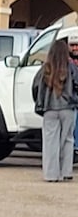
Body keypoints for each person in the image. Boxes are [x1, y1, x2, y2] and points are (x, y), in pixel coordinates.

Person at [34, 38, 78, 181]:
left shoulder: (45, 68)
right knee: (68, 139)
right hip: (68, 108)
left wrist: (40, 103)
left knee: (50, 142)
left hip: (49, 108)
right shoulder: (71, 67)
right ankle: (66, 172)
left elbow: (36, 87)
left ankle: (51, 175)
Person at [68, 34, 78, 156]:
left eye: (77, 45)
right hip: (71, 100)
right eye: (72, 45)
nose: (75, 48)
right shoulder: (66, 61)